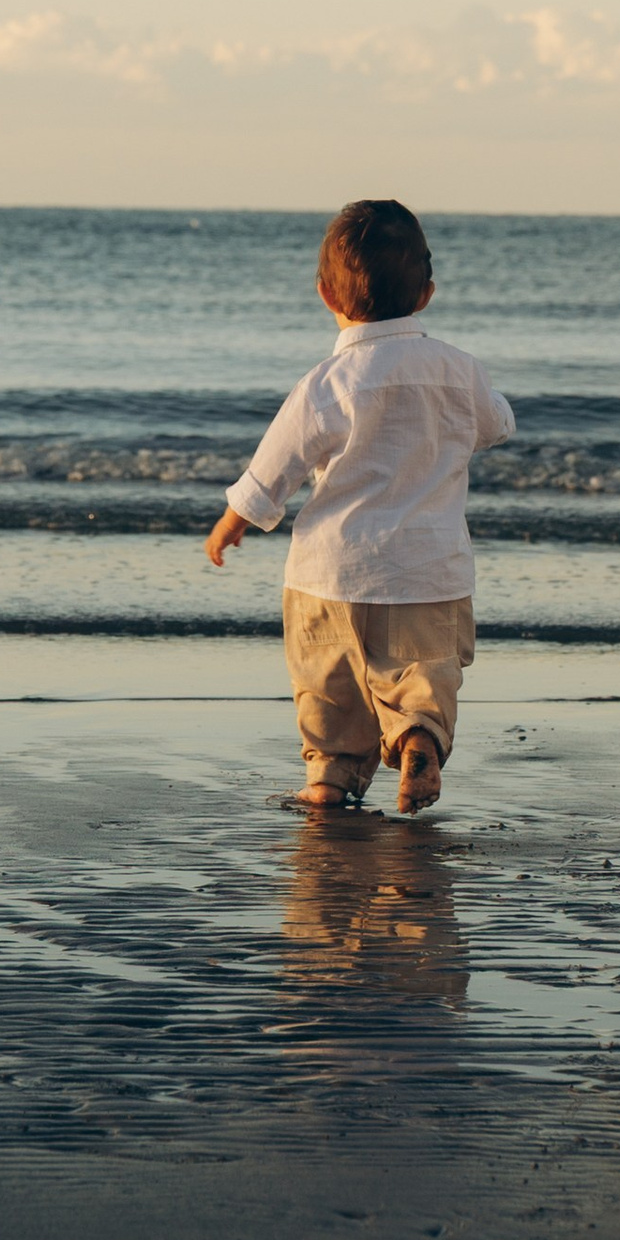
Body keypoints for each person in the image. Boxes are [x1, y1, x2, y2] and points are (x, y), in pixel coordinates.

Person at [206, 197, 513, 813]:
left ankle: (327, 779)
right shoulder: (459, 371)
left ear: (325, 294)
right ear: (426, 294)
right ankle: (418, 737)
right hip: (427, 573)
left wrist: (235, 519)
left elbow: (275, 467)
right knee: (423, 671)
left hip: (327, 575)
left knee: (328, 691)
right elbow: (497, 424)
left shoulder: (325, 383)